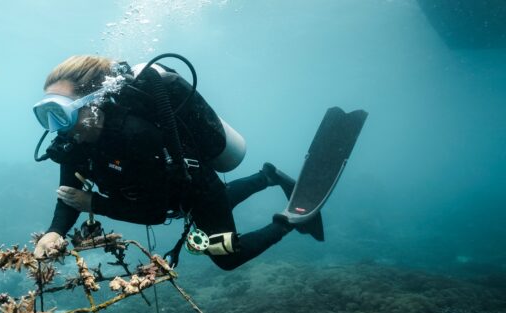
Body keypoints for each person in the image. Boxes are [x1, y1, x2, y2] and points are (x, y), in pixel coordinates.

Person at [31, 54, 318, 270]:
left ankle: (288, 220)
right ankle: (268, 176)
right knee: (220, 204)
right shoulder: (75, 140)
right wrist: (55, 231)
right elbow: (70, 192)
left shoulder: (136, 135)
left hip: (197, 188)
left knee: (227, 257)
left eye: (61, 112)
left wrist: (95, 204)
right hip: (176, 198)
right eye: (46, 115)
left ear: (94, 101)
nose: (56, 126)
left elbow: (154, 212)